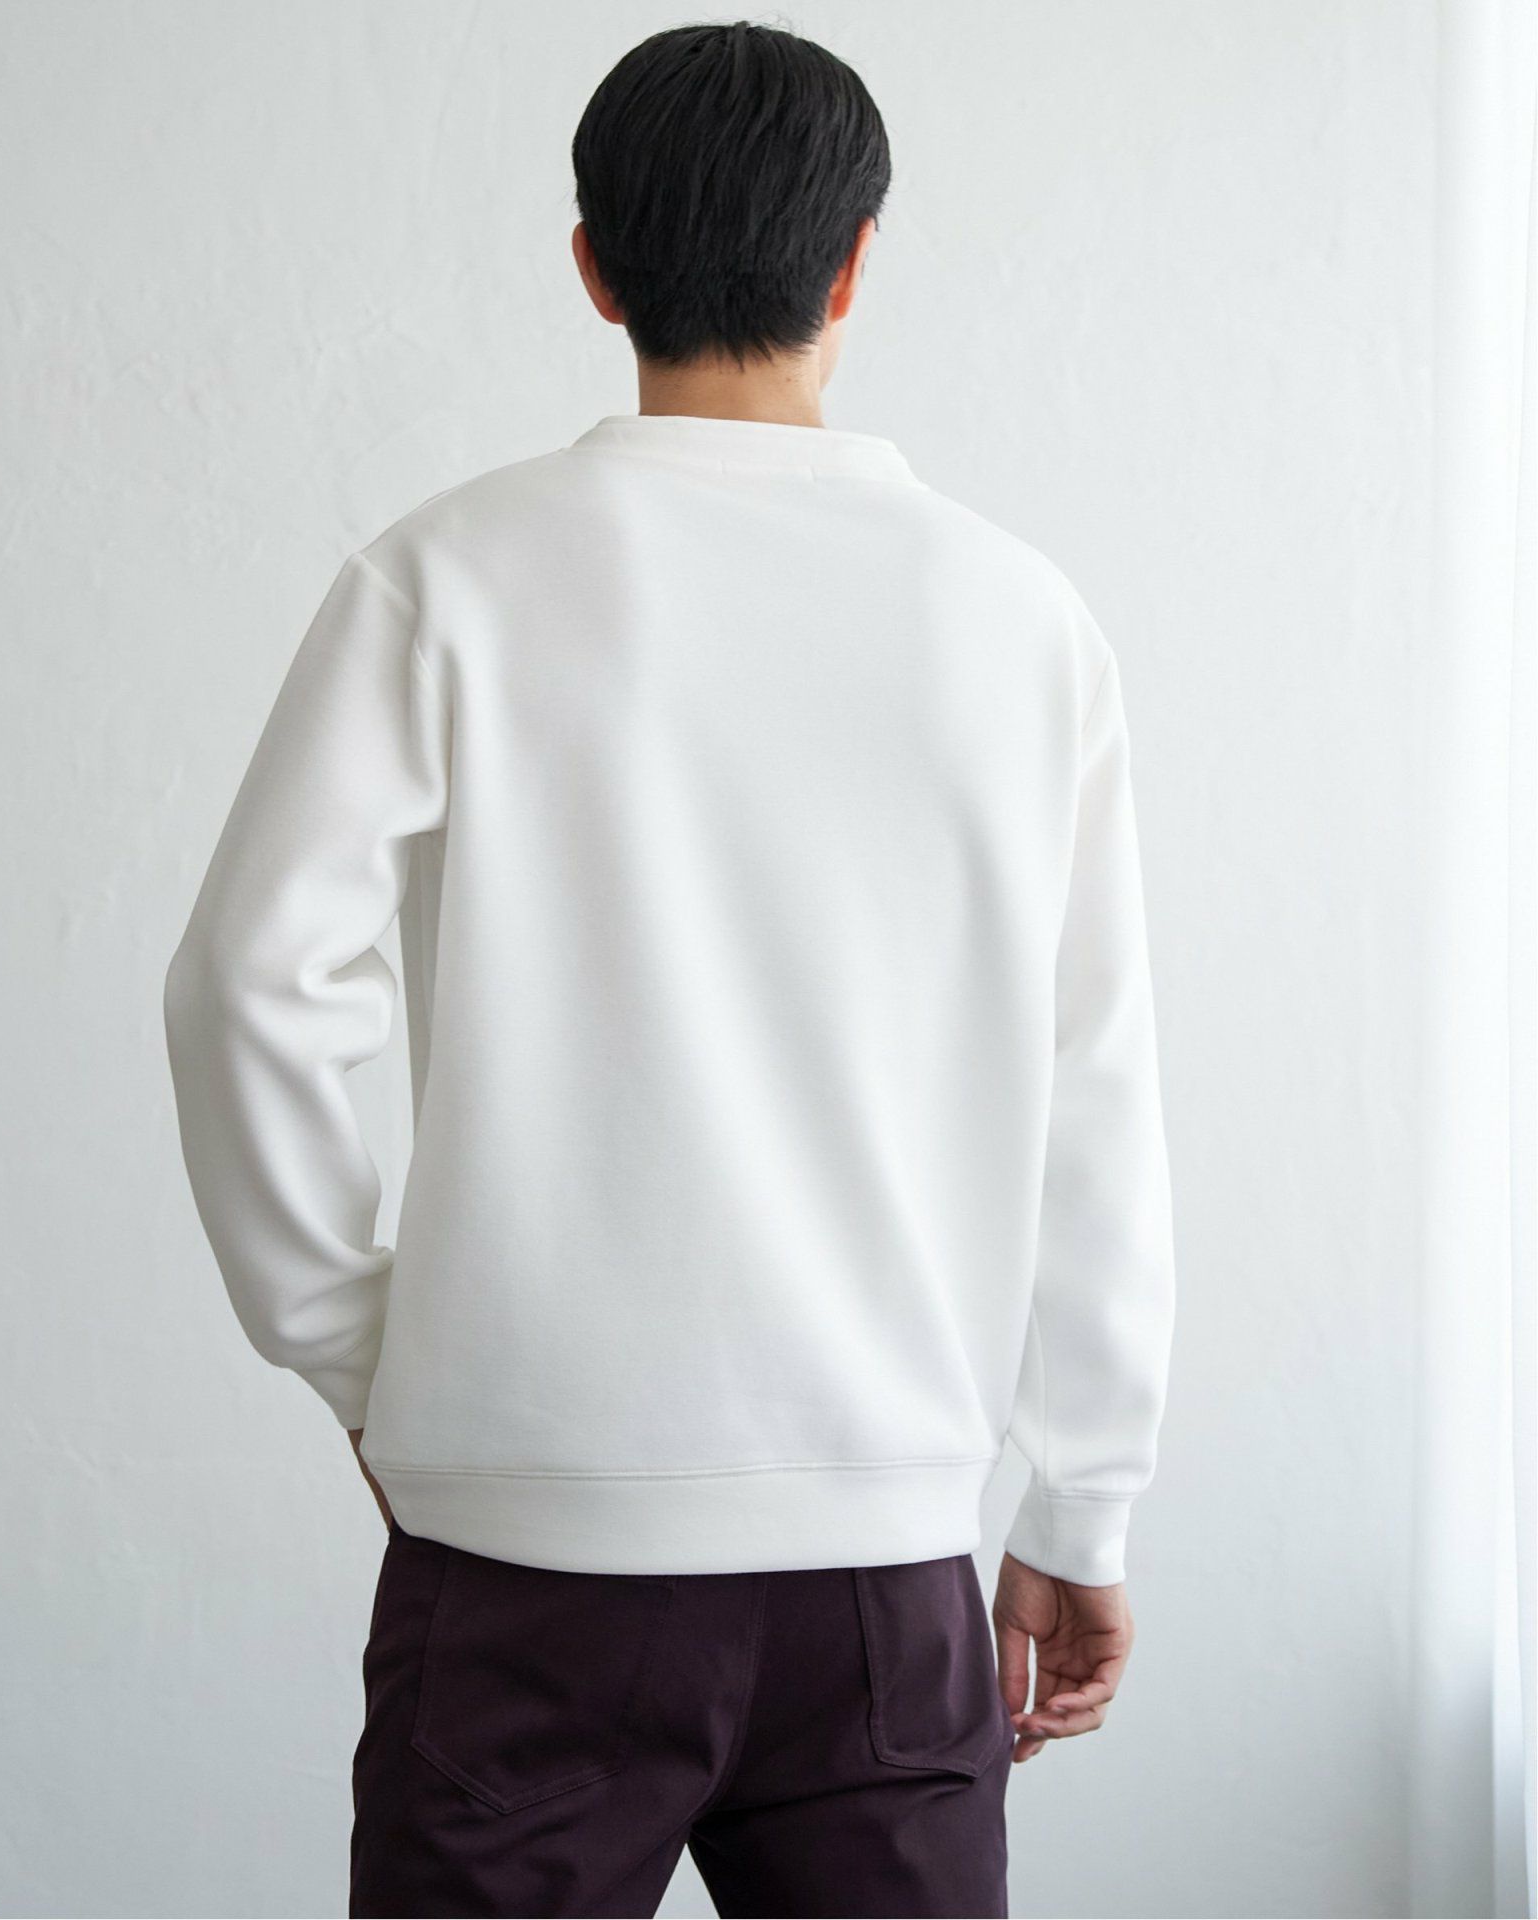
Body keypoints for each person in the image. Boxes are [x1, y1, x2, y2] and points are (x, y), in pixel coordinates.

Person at [163, 20, 1176, 1919]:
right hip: (885, 1563)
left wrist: (366, 1361)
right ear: (855, 266)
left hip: (521, 1557)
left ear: (593, 267)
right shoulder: (1021, 620)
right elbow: (1093, 1082)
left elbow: (244, 987)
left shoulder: (445, 577)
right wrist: (1084, 1498)